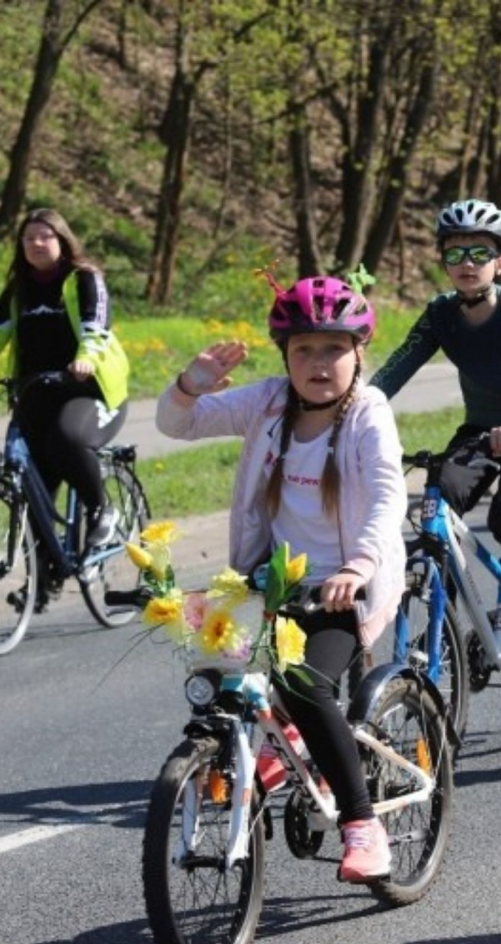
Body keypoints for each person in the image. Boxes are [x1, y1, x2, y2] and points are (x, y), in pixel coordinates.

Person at [156, 275, 408, 883]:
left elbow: (385, 494)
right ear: (285, 357)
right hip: (270, 582)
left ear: (357, 353)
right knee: (218, 672)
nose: (318, 363)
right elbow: (177, 425)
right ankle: (269, 748)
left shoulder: (368, 413)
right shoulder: (269, 403)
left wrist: (360, 566)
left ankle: (361, 823)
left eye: (332, 350)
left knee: (303, 681)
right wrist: (190, 386)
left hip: (344, 587)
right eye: (303, 351)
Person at [371, 200, 501, 677]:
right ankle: (443, 617)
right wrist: (352, 412)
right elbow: (398, 366)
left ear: (500, 263)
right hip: (483, 425)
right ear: (443, 261)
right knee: (437, 504)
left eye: (479, 253)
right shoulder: (440, 314)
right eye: (455, 254)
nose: (466, 263)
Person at [0, 208, 130, 571]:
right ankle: (46, 577)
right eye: (28, 237)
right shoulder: (20, 289)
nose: (36, 243)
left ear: (62, 240)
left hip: (88, 391)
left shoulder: (83, 279)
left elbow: (97, 324)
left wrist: (85, 360)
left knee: (65, 439)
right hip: (36, 394)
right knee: (31, 484)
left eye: (45, 236)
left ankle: (101, 509)